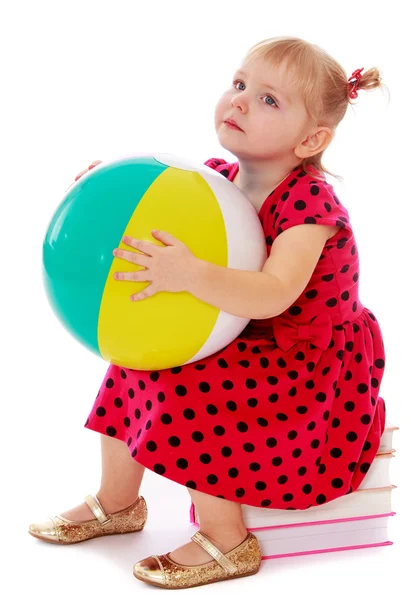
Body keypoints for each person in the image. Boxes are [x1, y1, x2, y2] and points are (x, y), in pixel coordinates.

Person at [29, 36, 388, 589]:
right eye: (240, 84)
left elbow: (273, 294)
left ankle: (227, 539)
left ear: (312, 139)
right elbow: (162, 220)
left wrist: (191, 275)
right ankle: (118, 500)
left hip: (304, 360)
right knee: (133, 360)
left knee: (199, 386)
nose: (239, 101)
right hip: (240, 331)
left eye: (269, 100)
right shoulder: (214, 178)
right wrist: (106, 196)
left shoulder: (309, 206)